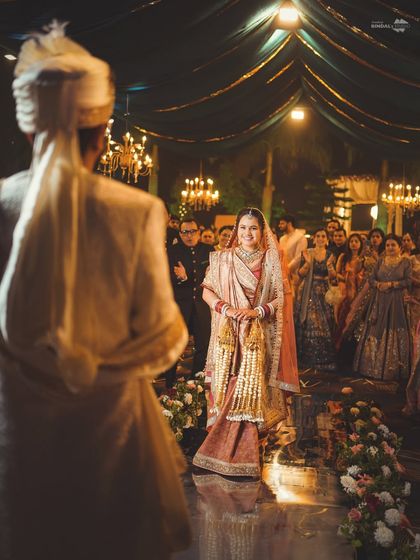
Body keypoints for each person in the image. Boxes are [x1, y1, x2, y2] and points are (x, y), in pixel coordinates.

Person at [0, 23, 190, 560]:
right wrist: (95, 368)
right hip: (110, 433)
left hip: (14, 427)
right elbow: (163, 337)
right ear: (102, 132)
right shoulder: (135, 212)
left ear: (30, 129)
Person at [193, 207, 299, 478]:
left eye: (253, 228)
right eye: (242, 227)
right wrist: (226, 309)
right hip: (228, 335)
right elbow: (207, 290)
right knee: (228, 384)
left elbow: (281, 297)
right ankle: (221, 448)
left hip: (256, 336)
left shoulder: (271, 261)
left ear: (262, 232)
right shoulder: (223, 259)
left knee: (251, 390)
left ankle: (247, 451)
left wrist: (257, 312)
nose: (247, 233)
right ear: (235, 230)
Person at [354, 234, 411, 381]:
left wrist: (392, 285)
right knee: (375, 329)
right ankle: (372, 368)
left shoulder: (405, 262)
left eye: (393, 245)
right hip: (379, 300)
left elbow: (408, 281)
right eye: (388, 245)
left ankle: (393, 370)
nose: (390, 248)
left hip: (396, 301)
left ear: (400, 247)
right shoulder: (380, 261)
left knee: (394, 328)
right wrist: (379, 285)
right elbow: (371, 279)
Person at [165, 218, 213, 387]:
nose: (189, 235)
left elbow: (212, 276)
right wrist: (181, 278)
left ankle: (194, 382)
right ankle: (169, 383)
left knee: (203, 345)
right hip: (180, 306)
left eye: (193, 231)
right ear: (180, 234)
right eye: (185, 232)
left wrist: (191, 276)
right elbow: (164, 277)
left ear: (198, 233)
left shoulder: (208, 250)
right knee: (175, 345)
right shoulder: (172, 251)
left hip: (202, 306)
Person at [295, 228, 337, 372]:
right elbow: (300, 274)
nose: (320, 238)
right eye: (317, 236)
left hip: (324, 293)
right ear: (314, 239)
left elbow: (333, 277)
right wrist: (307, 262)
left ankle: (323, 359)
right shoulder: (307, 253)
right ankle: (307, 358)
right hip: (309, 291)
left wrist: (330, 266)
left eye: (323, 236)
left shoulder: (330, 255)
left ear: (327, 239)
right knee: (311, 321)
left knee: (325, 323)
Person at [334, 234, 365, 368]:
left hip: (358, 296)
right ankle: (340, 357)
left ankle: (351, 359)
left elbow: (365, 278)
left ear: (360, 244)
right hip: (344, 295)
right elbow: (336, 274)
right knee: (341, 324)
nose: (353, 244)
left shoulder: (363, 260)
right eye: (351, 241)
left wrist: (356, 276)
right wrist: (347, 276)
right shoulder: (343, 257)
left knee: (354, 327)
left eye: (356, 241)